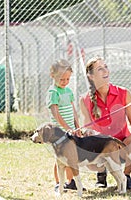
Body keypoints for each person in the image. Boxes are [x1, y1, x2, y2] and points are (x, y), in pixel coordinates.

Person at [79, 56, 131, 190]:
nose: (106, 71)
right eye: (100, 69)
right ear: (91, 76)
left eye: (106, 67)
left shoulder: (123, 93)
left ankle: (126, 176)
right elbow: (87, 130)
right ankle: (101, 173)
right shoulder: (84, 100)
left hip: (122, 146)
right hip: (100, 150)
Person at [45, 59, 82, 193]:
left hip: (70, 130)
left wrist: (77, 127)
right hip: (58, 133)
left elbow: (73, 110)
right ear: (52, 76)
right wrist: (66, 128)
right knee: (60, 158)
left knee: (71, 156)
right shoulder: (53, 92)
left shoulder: (68, 91)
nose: (65, 82)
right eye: (62, 79)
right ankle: (58, 183)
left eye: (67, 79)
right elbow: (55, 113)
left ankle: (70, 181)